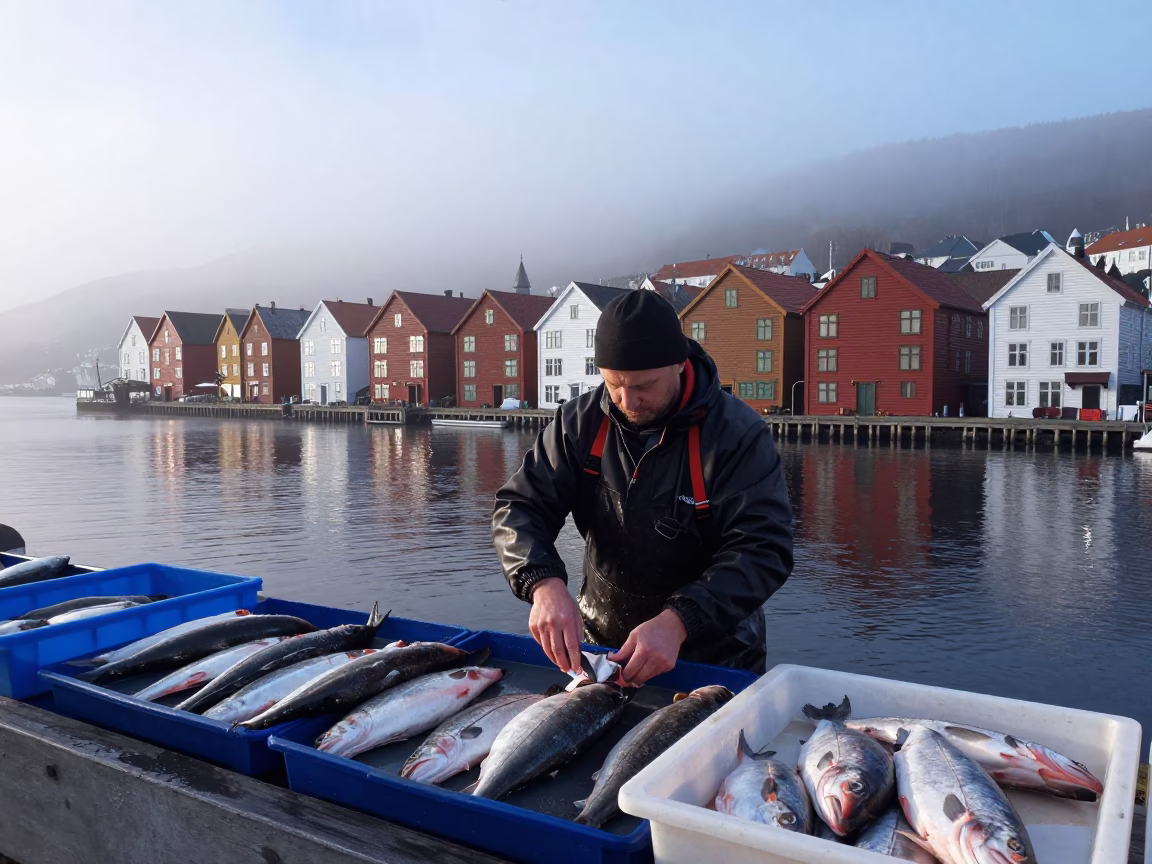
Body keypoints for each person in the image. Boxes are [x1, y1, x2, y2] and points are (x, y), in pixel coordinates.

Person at [492, 290, 793, 685]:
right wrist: (543, 584)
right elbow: (520, 506)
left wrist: (679, 620)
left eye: (643, 386)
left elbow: (763, 549)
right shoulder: (579, 423)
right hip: (603, 646)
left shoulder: (738, 436)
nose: (626, 400)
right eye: (613, 384)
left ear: (679, 365)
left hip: (716, 656)